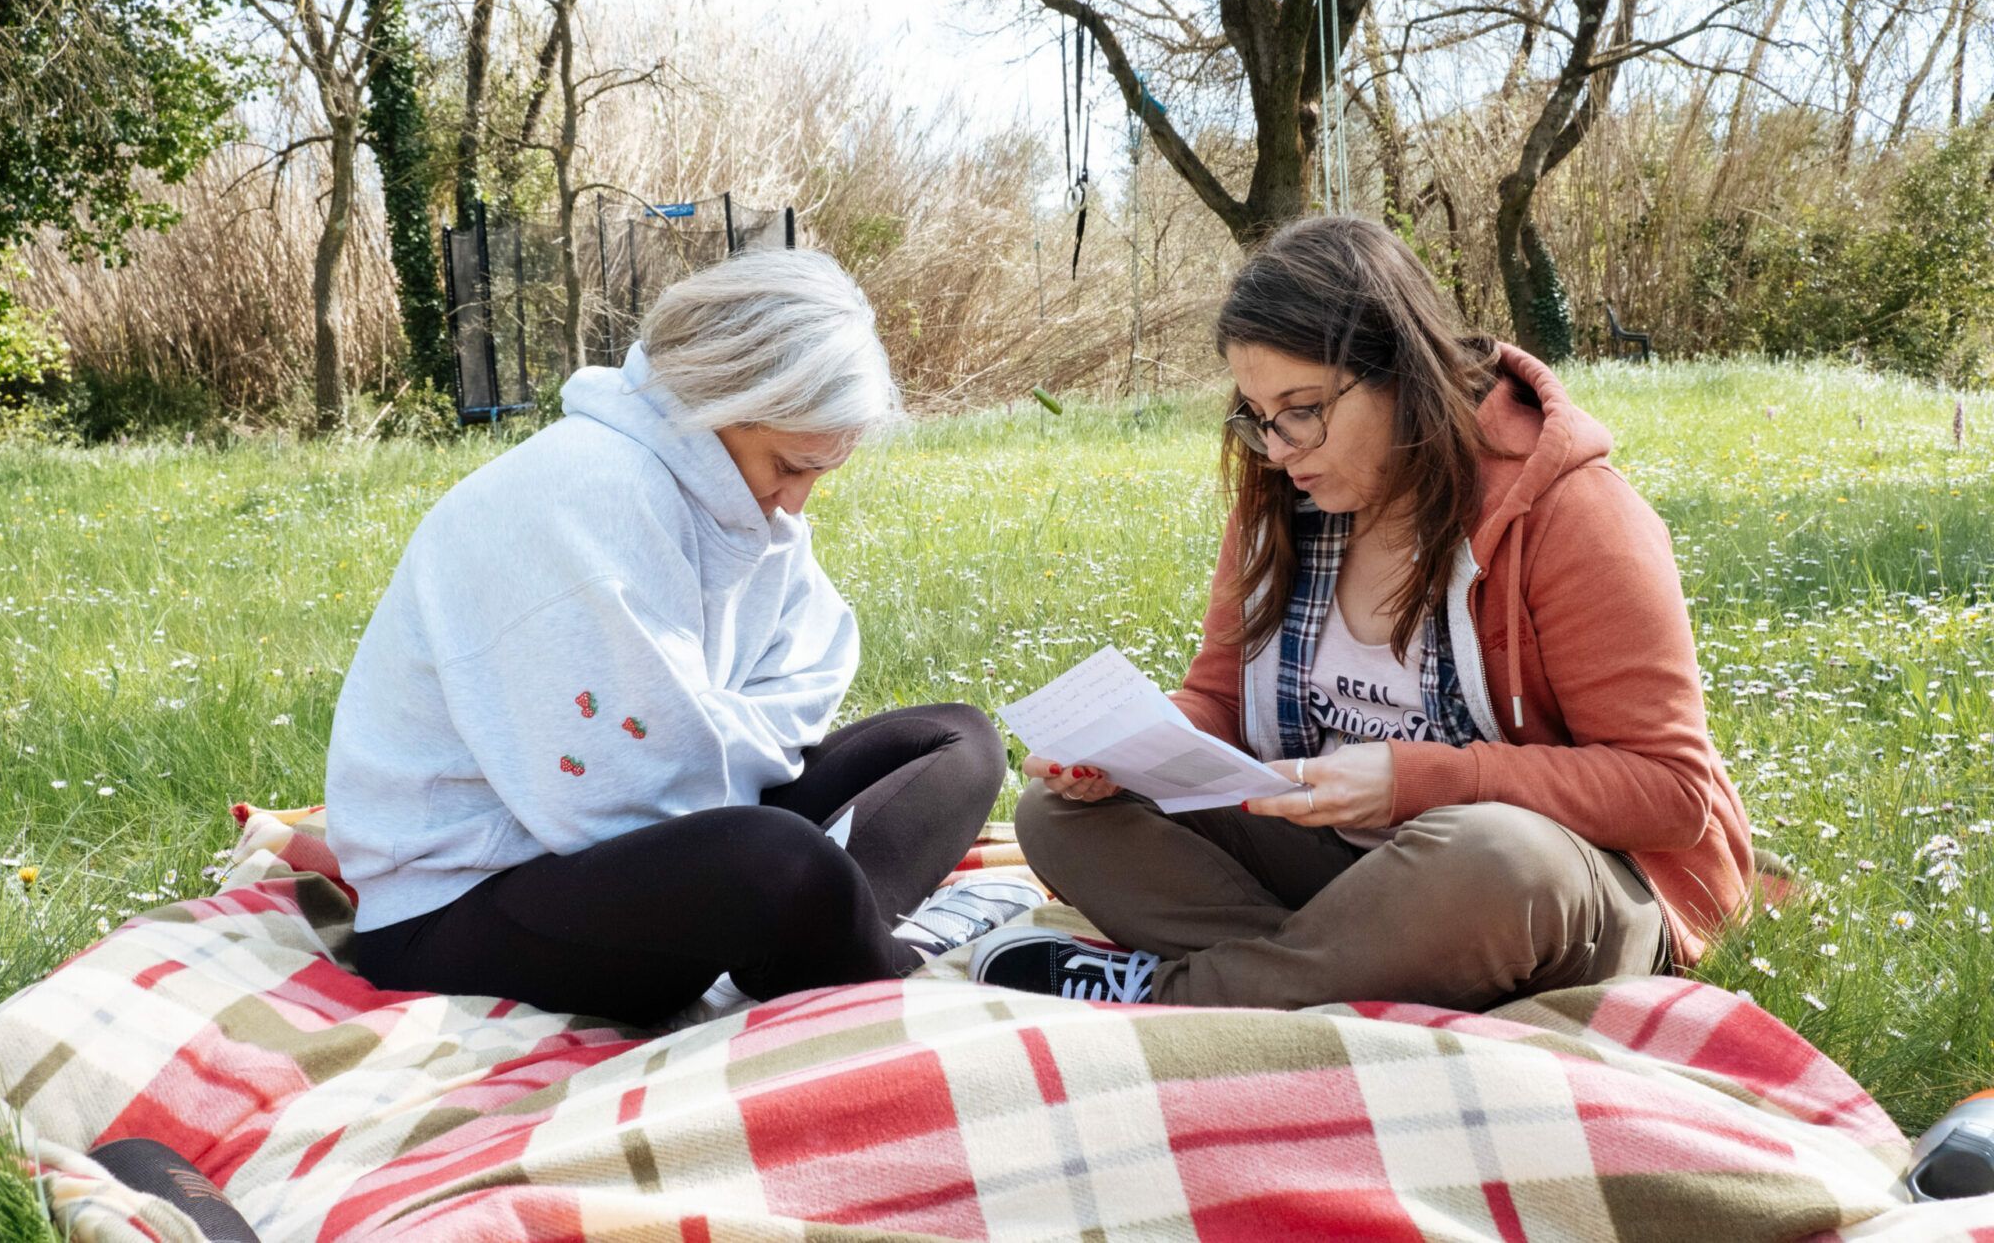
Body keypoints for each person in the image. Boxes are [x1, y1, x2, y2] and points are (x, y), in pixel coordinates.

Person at [970, 216, 1752, 1010]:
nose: (1277, 449)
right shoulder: (1284, 502)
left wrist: (1423, 782)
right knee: (1054, 818)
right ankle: (1349, 968)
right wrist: (1128, 751)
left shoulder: (1574, 512)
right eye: (1256, 413)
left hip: (1551, 881)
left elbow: (1671, 789)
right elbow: (1218, 702)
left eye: (1302, 408)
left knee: (1490, 856)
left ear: (1402, 373)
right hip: (1343, 865)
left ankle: (1178, 996)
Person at [327, 248, 1037, 1027]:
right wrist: (716, 757)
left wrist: (706, 737)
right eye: (791, 465)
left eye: (818, 475)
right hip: (464, 900)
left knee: (957, 741)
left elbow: (810, 666)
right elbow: (610, 793)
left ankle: (823, 941)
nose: (797, 505)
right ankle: (883, 965)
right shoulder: (584, 495)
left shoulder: (736, 492)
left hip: (664, 824)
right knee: (779, 863)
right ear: (727, 400)